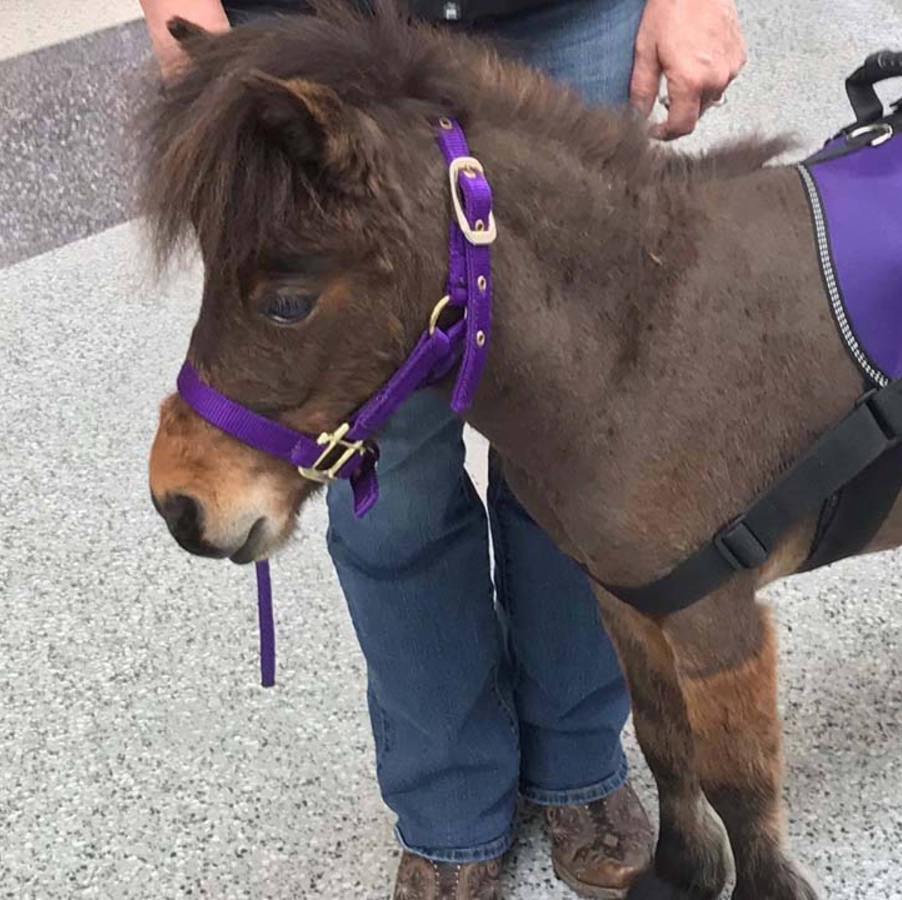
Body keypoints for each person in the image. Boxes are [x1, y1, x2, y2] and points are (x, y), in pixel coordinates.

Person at [136, 0, 745, 897]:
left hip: (556, 18)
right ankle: (449, 803)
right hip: (321, 37)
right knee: (391, 473)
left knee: (572, 440)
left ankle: (578, 761)